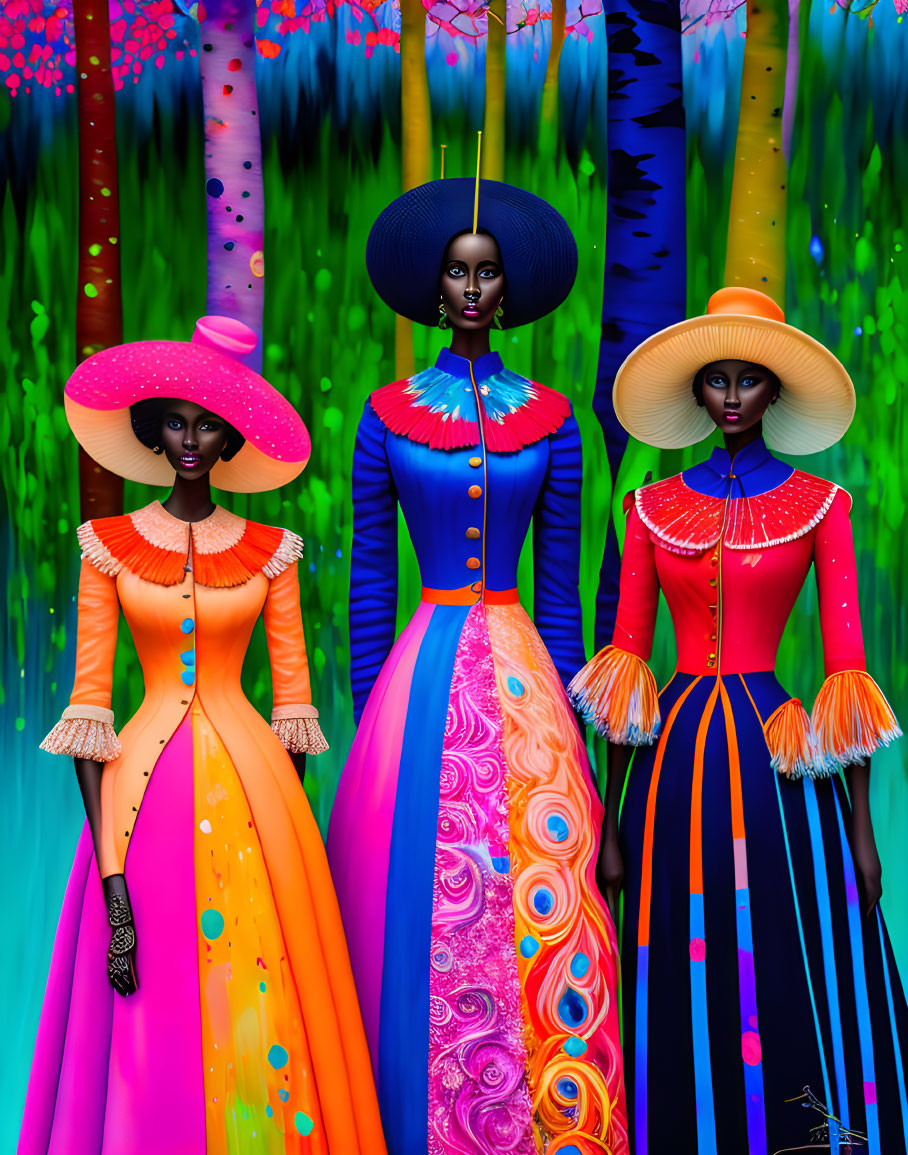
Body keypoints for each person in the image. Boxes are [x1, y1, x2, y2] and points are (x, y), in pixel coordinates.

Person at [19, 316, 386, 1155]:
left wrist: (288, 845)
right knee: (147, 1018)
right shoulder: (106, 549)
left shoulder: (271, 551)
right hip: (136, 811)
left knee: (263, 1009)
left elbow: (293, 706)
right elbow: (88, 716)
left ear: (230, 437)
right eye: (176, 421)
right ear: (153, 429)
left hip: (260, 796)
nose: (190, 439)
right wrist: (114, 884)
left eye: (207, 423)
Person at [326, 177, 628, 1155]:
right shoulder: (384, 415)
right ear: (433, 285)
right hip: (416, 680)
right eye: (455, 272)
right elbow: (371, 576)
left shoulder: (550, 418)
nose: (469, 288)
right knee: (411, 901)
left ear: (507, 289)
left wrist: (575, 740)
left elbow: (559, 597)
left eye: (485, 272)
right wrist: (376, 724)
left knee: (545, 900)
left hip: (524, 672)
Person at [570, 287, 907, 1154]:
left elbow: (847, 672)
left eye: (746, 380)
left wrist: (862, 830)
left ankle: (790, 1127)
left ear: (772, 394)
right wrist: (609, 820)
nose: (729, 395)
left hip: (777, 764)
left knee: (778, 937)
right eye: (715, 380)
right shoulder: (649, 508)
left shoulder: (822, 506)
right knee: (676, 943)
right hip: (671, 765)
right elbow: (625, 673)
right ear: (696, 392)